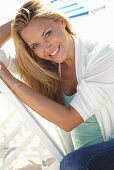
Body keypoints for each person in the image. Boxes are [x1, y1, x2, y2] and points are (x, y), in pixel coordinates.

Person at [0, 0, 114, 169]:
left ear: (61, 23)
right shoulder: (46, 67)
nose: (46, 48)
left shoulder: (102, 56)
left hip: (105, 149)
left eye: (47, 33)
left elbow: (69, 120)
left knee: (73, 163)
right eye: (35, 45)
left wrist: (12, 82)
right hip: (83, 158)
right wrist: (16, 22)